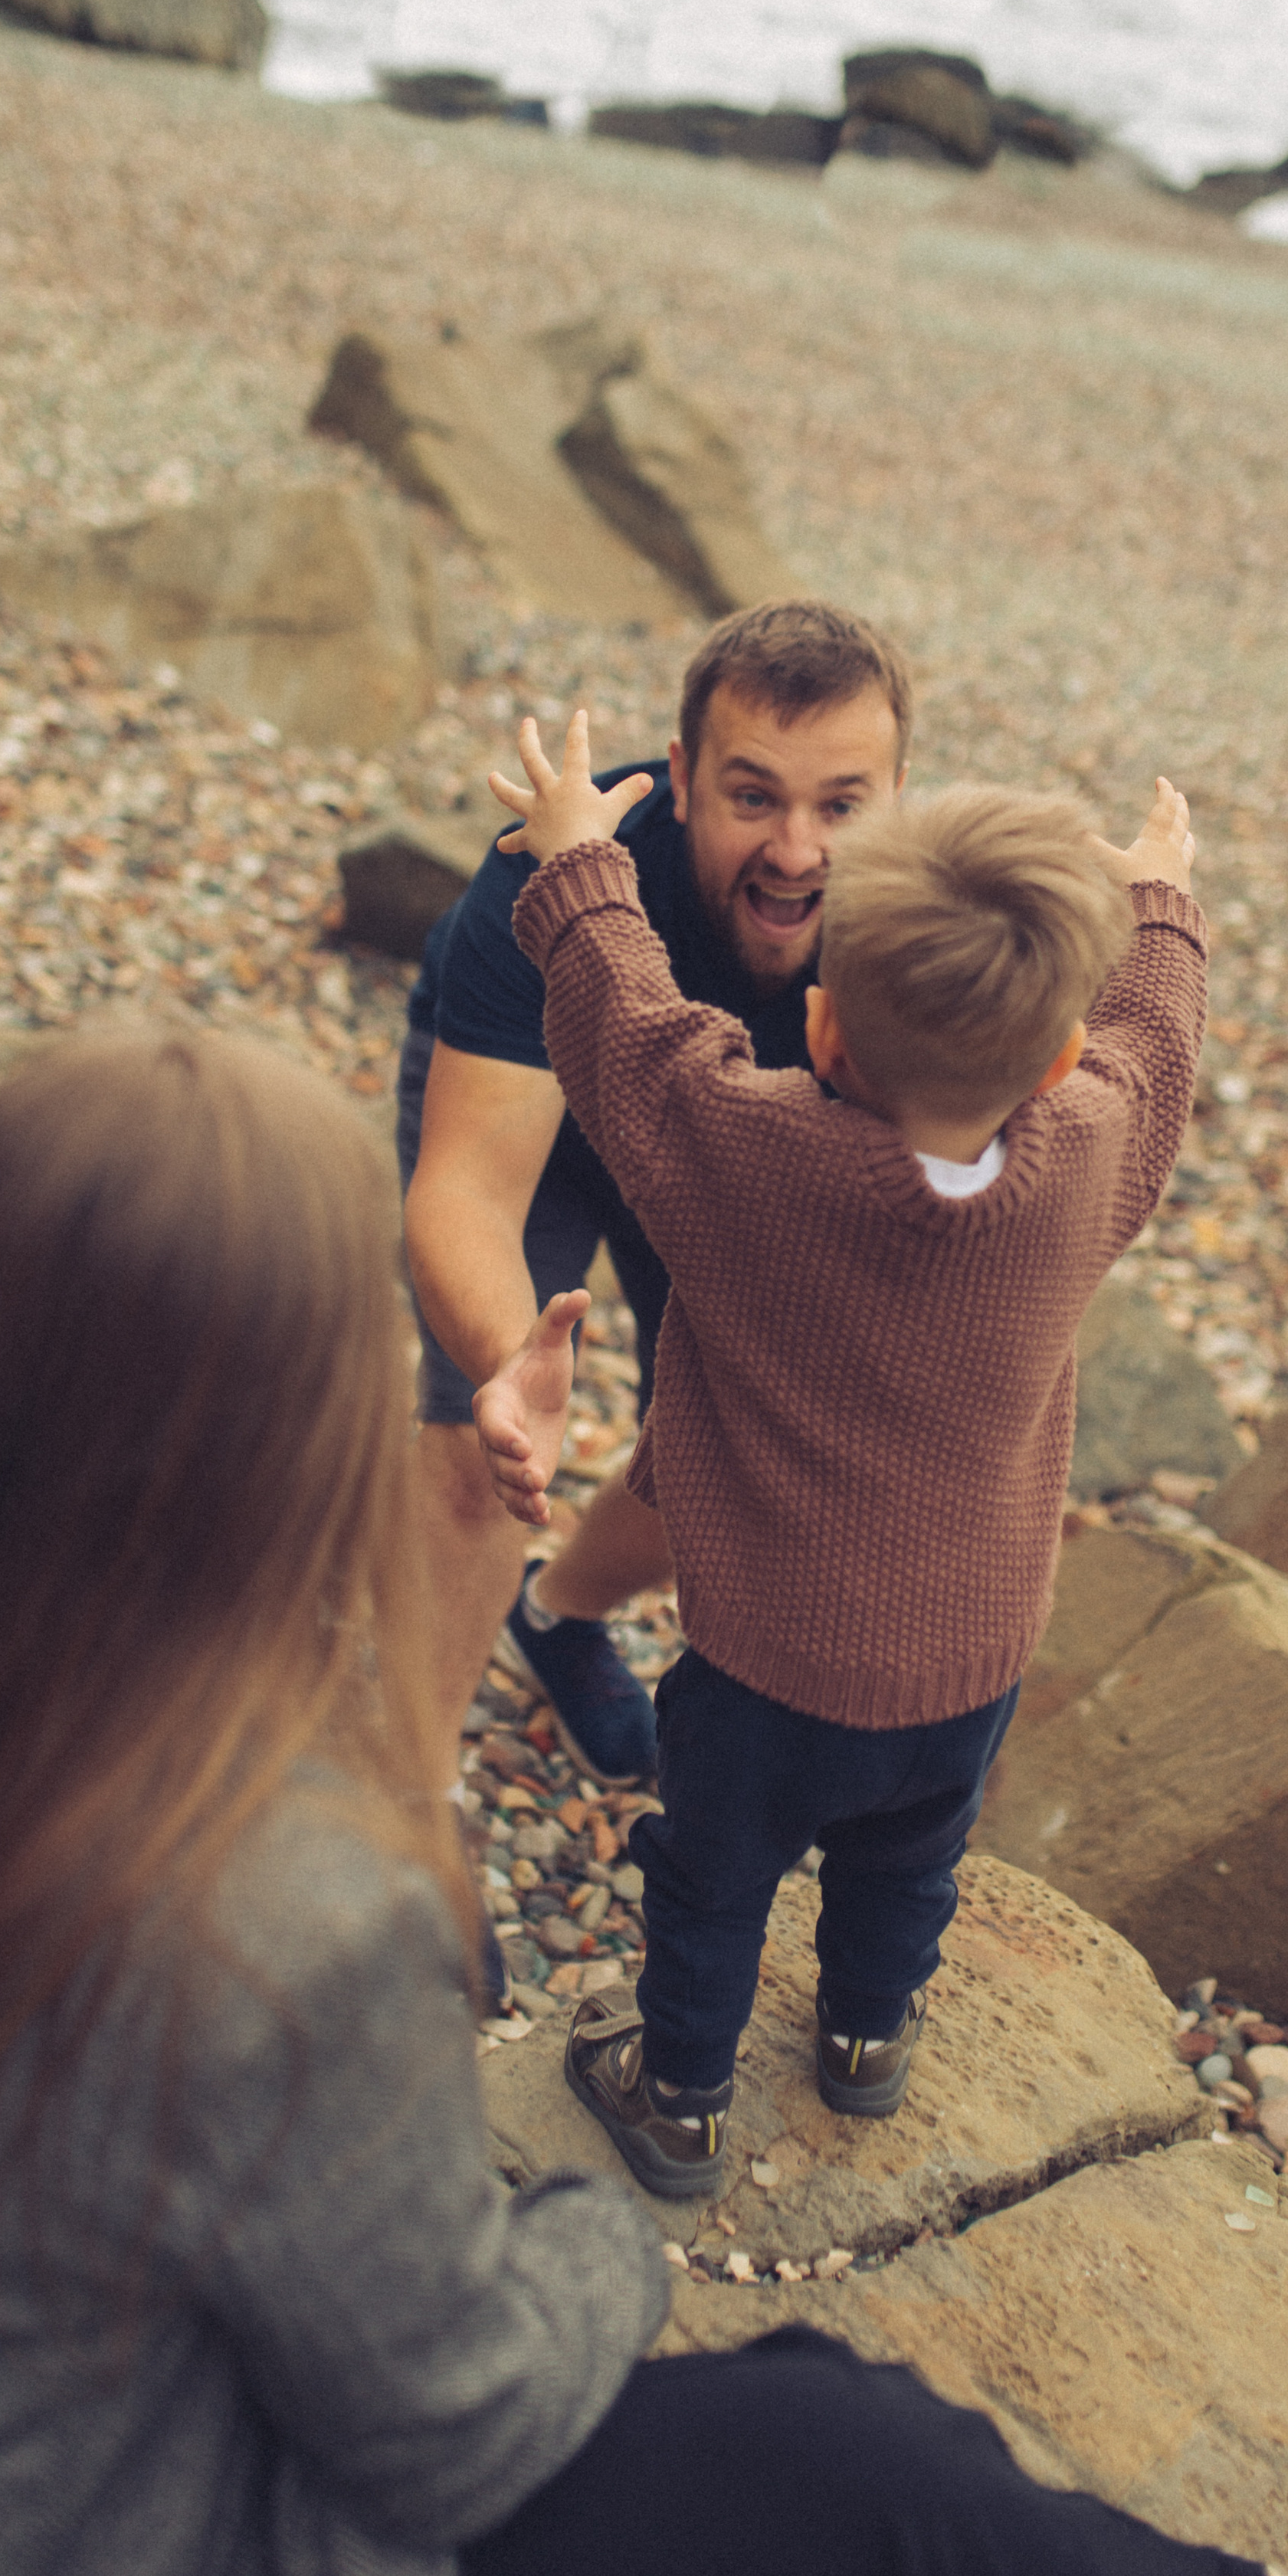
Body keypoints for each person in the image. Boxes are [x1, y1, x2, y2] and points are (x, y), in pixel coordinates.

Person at [0, 1023, 1288, 2576]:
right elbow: (448, 2431)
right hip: (97, 2558)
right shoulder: (281, 1913)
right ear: (306, 1424)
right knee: (846, 2452)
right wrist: (588, 2236)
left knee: (823, 2436)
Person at [484, 716, 1207, 2200]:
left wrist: (578, 861)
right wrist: (1158, 905)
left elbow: (629, 1037)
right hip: (969, 1665)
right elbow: (1157, 1046)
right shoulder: (1094, 1149)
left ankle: (680, 2097)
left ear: (820, 1031)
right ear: (1056, 1053)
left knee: (710, 1882)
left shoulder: (742, 1150)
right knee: (907, 1864)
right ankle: (868, 2040)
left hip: (764, 1666)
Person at [398, 599, 909, 1796]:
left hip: (720, 1142)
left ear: (900, 796)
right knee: (481, 1446)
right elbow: (468, 1187)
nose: (797, 851)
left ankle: (558, 1613)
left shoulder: (920, 927)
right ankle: (408, 1806)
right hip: (533, 1109)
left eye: (843, 806)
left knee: (735, 1445)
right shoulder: (551, 872)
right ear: (680, 779)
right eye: (753, 797)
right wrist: (509, 1362)